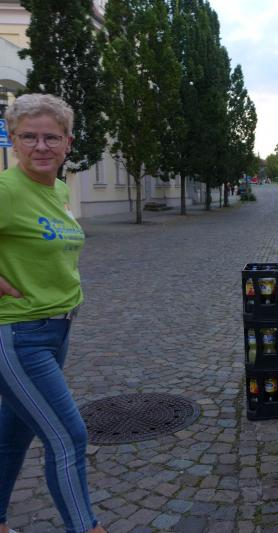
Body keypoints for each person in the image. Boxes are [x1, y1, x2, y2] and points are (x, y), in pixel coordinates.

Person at [0, 94, 107, 533]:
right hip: (17, 335)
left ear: (67, 143)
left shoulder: (59, 190)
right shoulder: (6, 191)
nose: (41, 146)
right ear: (13, 139)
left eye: (51, 137)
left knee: (12, 437)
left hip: (56, 330)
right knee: (68, 437)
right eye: (29, 137)